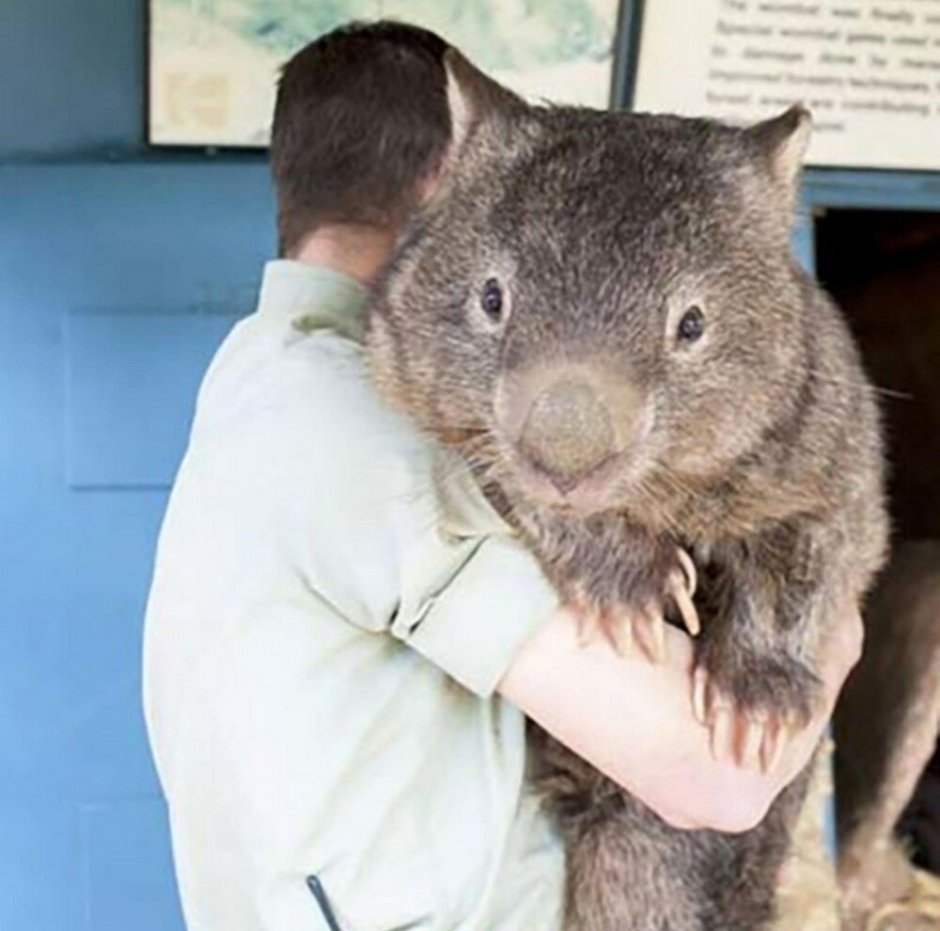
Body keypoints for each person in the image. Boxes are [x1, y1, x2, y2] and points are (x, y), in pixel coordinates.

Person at [142, 20, 863, 931]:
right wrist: (837, 638)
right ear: (455, 186)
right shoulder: (357, 425)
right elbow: (711, 774)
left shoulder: (261, 377)